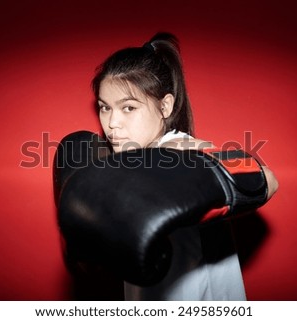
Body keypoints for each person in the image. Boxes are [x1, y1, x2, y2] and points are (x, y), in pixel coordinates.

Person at [56, 32, 278, 300]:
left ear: (165, 106)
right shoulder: (119, 164)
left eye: (128, 108)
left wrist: (188, 167)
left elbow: (267, 178)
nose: (112, 123)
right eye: (105, 108)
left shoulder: (180, 149)